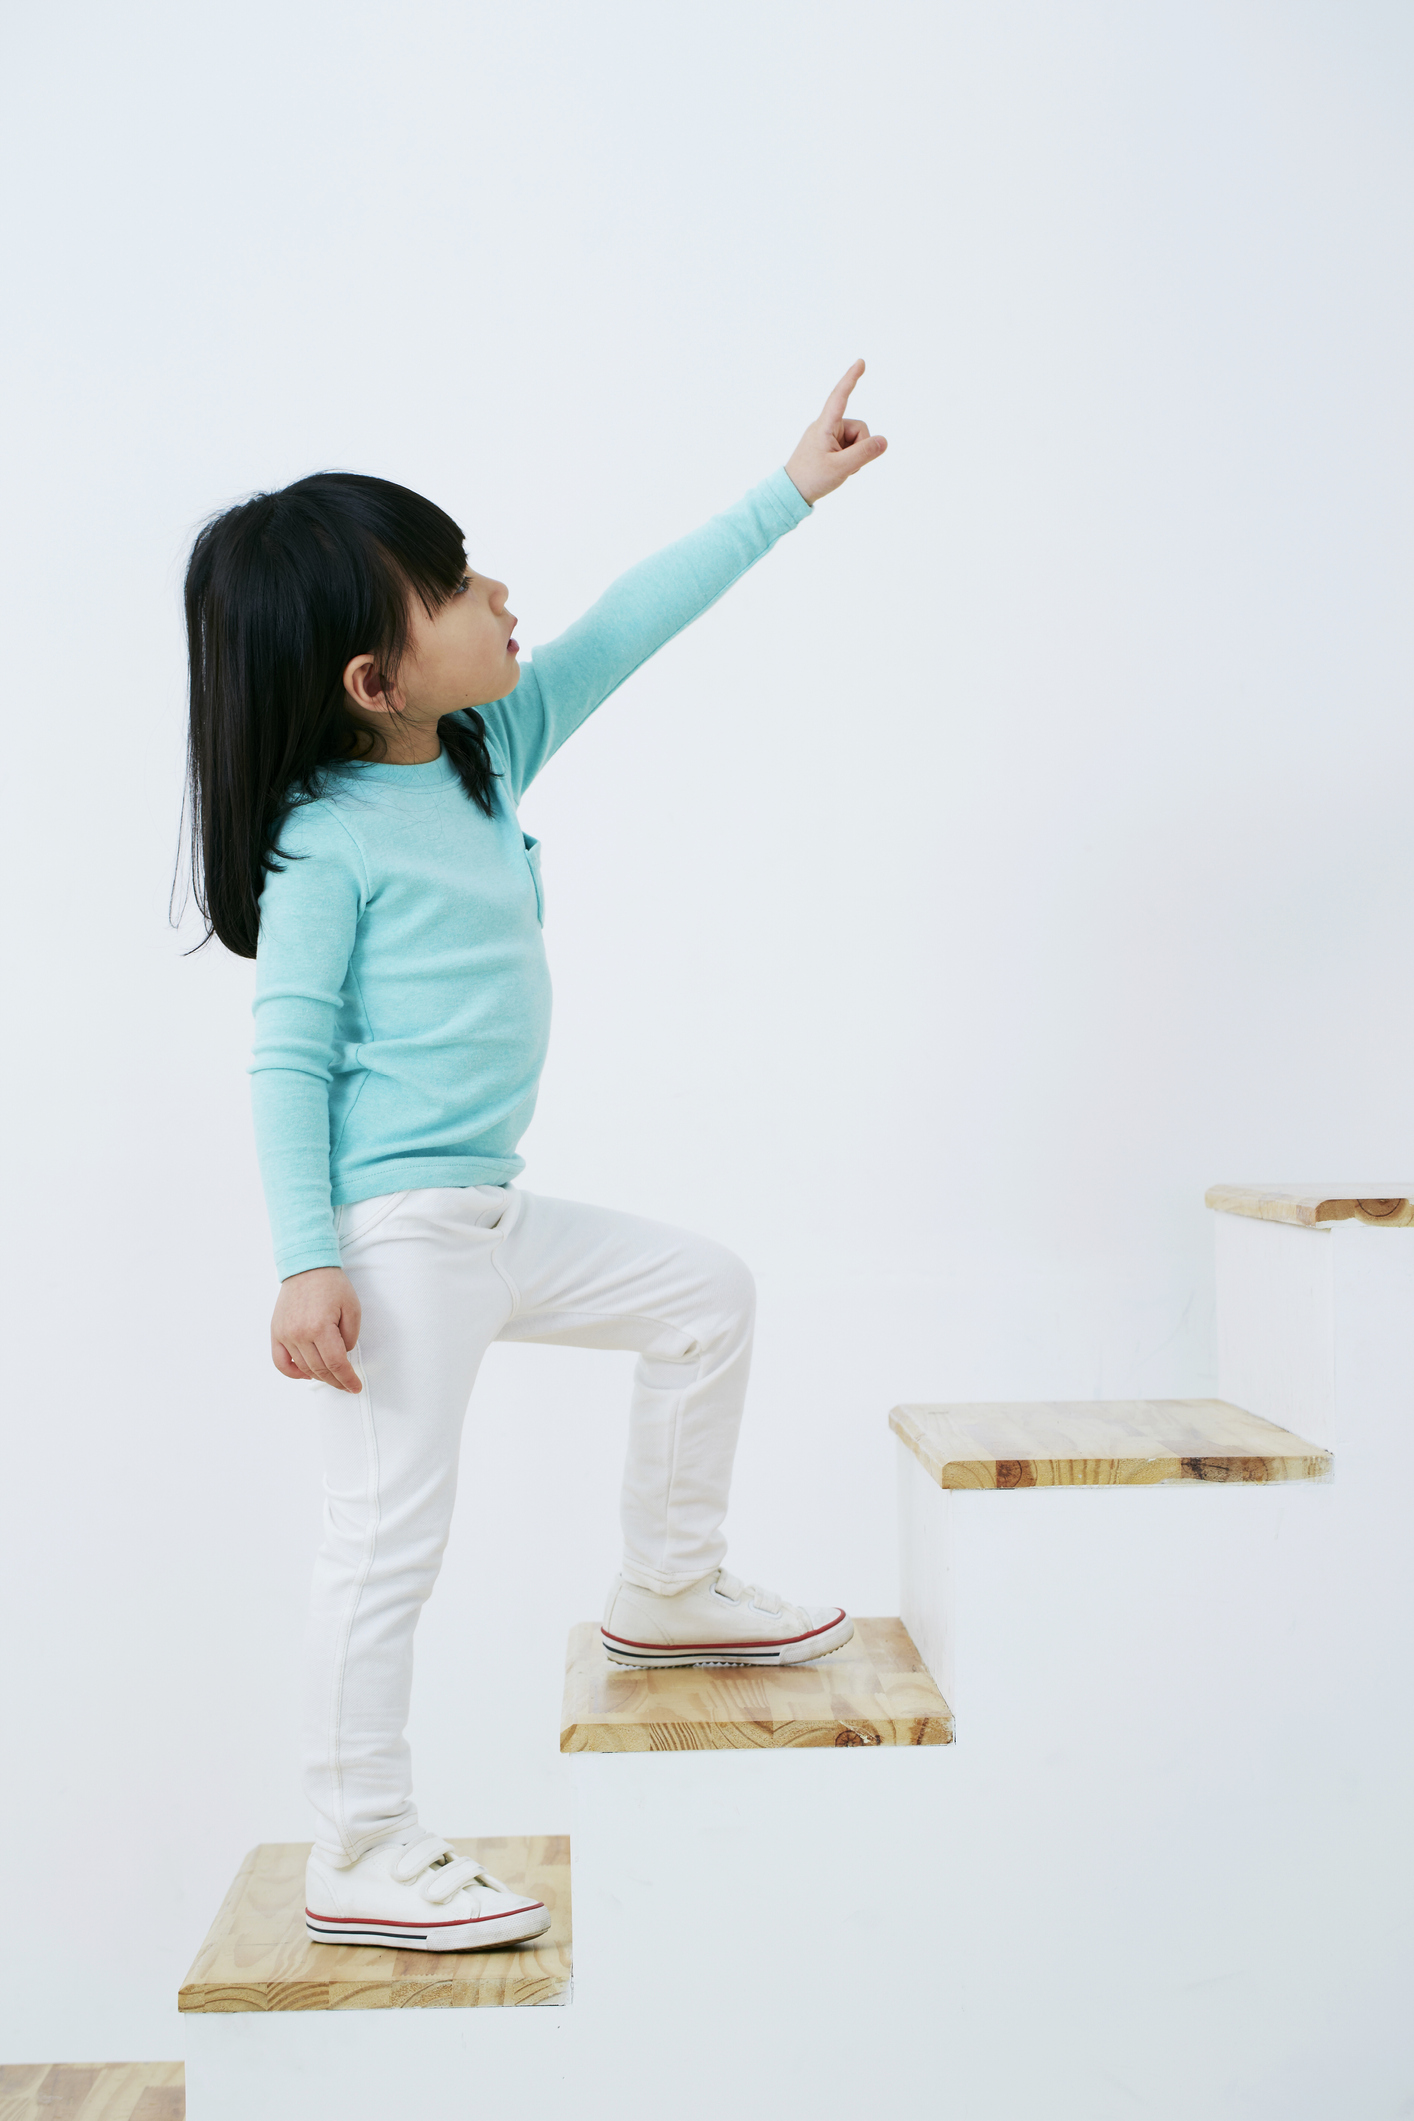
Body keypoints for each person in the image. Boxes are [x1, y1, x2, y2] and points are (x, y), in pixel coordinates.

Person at [182, 362, 887, 1952]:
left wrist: (784, 491)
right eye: (452, 584)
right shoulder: (323, 848)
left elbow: (630, 619)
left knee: (706, 1293)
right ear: (375, 677)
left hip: (488, 1215)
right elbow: (286, 1059)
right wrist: (307, 1255)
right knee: (389, 1539)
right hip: (394, 1241)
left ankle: (670, 1588)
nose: (499, 589)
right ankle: (359, 1841)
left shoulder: (489, 744)